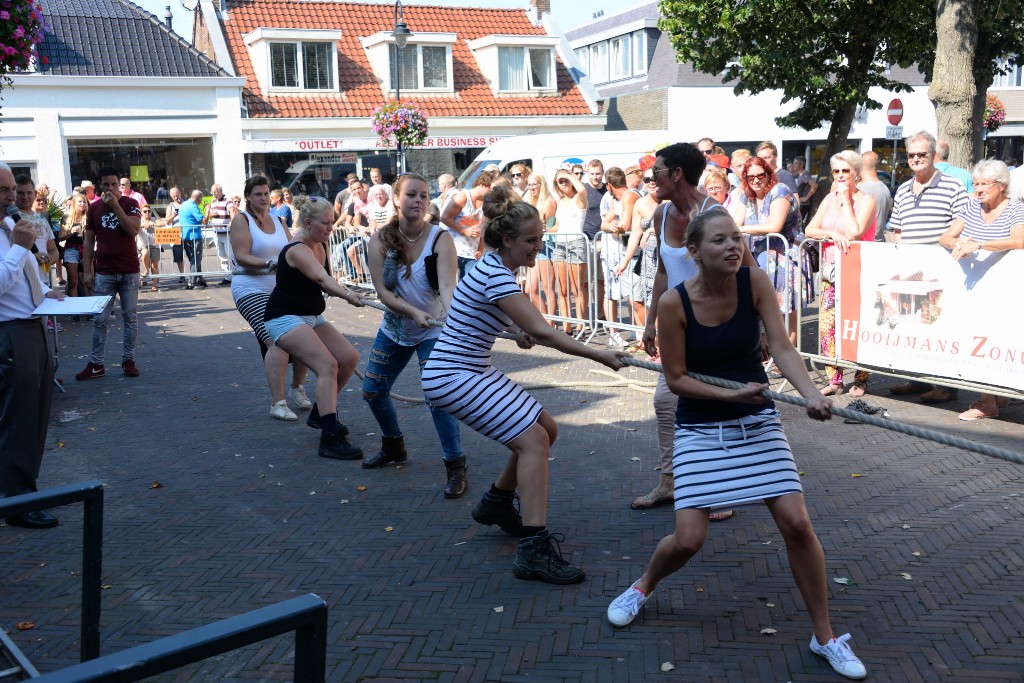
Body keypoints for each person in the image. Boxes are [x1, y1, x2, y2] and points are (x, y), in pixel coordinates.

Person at [605, 208, 868, 682]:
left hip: (757, 423)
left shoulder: (756, 282)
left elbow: (783, 348)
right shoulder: (673, 303)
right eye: (720, 241)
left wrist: (810, 394)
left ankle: (824, 636)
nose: (733, 247)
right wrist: (730, 394)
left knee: (796, 524)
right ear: (695, 252)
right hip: (701, 429)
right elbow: (677, 379)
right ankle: (643, 586)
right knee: (689, 539)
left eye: (737, 239)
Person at [422, 184, 627, 584]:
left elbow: (488, 312)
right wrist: (600, 354)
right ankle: (534, 550)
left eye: (541, 238)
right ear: (507, 241)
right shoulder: (497, 274)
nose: (539, 246)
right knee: (532, 441)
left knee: (545, 429)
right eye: (532, 240)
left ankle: (497, 503)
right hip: (453, 374)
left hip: (469, 368)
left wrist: (514, 328)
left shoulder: (495, 267)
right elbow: (544, 332)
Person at [632, 143, 743, 522]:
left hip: (714, 325)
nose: (651, 179)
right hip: (677, 325)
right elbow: (663, 271)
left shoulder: (714, 214)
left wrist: (755, 327)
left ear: (676, 174)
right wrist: (651, 321)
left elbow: (740, 270)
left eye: (657, 172)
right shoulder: (662, 213)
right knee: (666, 403)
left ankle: (720, 489)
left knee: (714, 408)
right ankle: (670, 482)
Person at [362, 174, 468, 496]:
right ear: (396, 198)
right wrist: (411, 312)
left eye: (424, 195)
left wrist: (454, 318)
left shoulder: (441, 239)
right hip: (396, 327)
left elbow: (449, 287)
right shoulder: (380, 240)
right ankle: (394, 445)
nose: (419, 200)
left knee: (437, 396)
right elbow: (383, 292)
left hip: (433, 328)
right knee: (372, 392)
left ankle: (456, 466)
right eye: (411, 194)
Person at [263, 195, 365, 460]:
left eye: (332, 223)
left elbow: (325, 278)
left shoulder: (320, 243)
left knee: (348, 358)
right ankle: (329, 438)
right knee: (327, 365)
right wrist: (348, 296)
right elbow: (321, 277)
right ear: (307, 223)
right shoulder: (297, 249)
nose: (331, 228)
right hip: (284, 317)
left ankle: (321, 414)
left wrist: (346, 290)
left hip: (310, 316)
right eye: (326, 224)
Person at [0, 162, 66, 529]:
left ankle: (25, 490)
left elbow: (25, 279)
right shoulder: (13, 235)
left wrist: (46, 294)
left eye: (12, 188)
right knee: (18, 420)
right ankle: (17, 504)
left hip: (32, 326)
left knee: (36, 416)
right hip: (9, 334)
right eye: (4, 190)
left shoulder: (12, 226)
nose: (12, 197)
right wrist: (18, 249)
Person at [938, 159, 1024, 421]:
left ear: (1001, 185)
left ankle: (993, 397)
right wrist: (959, 244)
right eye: (975, 183)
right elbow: (945, 236)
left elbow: (1019, 240)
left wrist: (980, 245)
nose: (978, 188)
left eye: (984, 183)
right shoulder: (971, 206)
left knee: (999, 340)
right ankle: (990, 399)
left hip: (1004, 290)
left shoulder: (1016, 209)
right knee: (975, 339)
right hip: (973, 290)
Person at [887, 131, 968, 403]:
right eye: (912, 155)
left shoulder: (953, 186)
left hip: (942, 270)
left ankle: (946, 386)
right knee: (916, 325)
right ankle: (918, 380)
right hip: (912, 272)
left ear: (933, 155)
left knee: (941, 327)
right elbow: (895, 228)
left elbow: (963, 223)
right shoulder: (902, 189)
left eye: (922, 154)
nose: (917, 159)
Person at [229, 175, 312, 422]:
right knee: (276, 341)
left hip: (281, 289)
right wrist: (269, 263)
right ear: (248, 197)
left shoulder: (279, 220)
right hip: (251, 289)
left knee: (304, 336)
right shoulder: (241, 220)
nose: (263, 198)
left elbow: (291, 251)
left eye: (266, 194)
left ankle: (297, 389)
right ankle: (278, 403)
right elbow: (241, 256)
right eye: (258, 194)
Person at [803, 151, 877, 397]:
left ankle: (861, 378)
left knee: (857, 324)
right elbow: (810, 229)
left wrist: (845, 201)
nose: (841, 176)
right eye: (836, 171)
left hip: (858, 271)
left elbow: (855, 231)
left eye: (845, 171)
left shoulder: (867, 200)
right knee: (828, 326)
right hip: (831, 271)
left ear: (856, 172)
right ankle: (834, 379)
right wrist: (830, 234)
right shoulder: (829, 198)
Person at [78, 167, 143, 380]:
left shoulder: (131, 204)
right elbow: (88, 240)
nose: (111, 188)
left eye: (114, 184)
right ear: (100, 186)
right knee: (100, 320)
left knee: (130, 317)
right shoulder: (94, 208)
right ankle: (96, 364)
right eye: (106, 185)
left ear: (120, 186)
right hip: (104, 271)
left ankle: (128, 360)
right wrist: (87, 270)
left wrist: (115, 206)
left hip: (128, 270)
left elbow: (133, 229)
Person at [731, 155, 803, 347]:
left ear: (768, 174)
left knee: (786, 307)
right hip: (761, 257)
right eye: (750, 176)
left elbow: (774, 226)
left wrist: (739, 230)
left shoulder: (780, 191)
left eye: (760, 175)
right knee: (764, 306)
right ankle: (769, 350)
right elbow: (734, 222)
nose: (755, 180)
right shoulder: (746, 195)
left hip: (786, 257)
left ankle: (788, 352)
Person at [550, 169, 589, 334]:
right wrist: (542, 229)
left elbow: (582, 190)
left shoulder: (579, 199)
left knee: (577, 288)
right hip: (560, 244)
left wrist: (569, 176)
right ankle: (567, 325)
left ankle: (580, 324)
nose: (564, 183)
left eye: (566, 180)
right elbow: (557, 227)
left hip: (576, 243)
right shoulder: (560, 201)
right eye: (560, 181)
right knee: (563, 289)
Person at [440, 170, 494, 280]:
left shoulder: (487, 203)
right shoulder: (463, 196)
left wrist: (480, 249)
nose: (493, 192)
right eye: (491, 189)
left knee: (468, 288)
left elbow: (483, 229)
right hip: (454, 250)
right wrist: (464, 230)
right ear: (482, 185)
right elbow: (444, 218)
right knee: (449, 286)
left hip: (471, 254)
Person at [522, 172, 557, 321]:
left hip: (547, 246)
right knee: (530, 289)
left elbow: (540, 224)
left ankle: (550, 322)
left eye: (534, 184)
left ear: (541, 185)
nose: (531, 187)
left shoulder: (548, 201)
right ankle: (545, 319)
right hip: (534, 247)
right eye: (529, 184)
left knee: (549, 288)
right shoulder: (530, 201)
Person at [857, 151, 894, 242]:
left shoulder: (861, 188)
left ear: (859, 166)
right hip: (878, 241)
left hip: (864, 243)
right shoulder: (885, 188)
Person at [205, 183, 234, 285]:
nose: (213, 194)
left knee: (229, 255)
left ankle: (233, 276)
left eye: (215, 192)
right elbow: (211, 213)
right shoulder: (213, 201)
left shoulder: (227, 200)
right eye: (212, 192)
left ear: (220, 191)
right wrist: (211, 213)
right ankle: (227, 276)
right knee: (222, 256)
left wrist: (233, 221)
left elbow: (232, 211)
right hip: (217, 233)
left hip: (226, 233)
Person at [179, 190, 207, 290]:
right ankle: (192, 282)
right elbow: (204, 221)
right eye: (201, 199)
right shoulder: (193, 206)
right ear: (199, 198)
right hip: (194, 235)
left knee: (193, 259)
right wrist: (207, 210)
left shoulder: (183, 204)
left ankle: (199, 278)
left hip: (185, 235)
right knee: (196, 259)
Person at [61, 193, 87, 298]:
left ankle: (88, 308)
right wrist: (71, 232)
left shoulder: (88, 217)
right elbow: (60, 237)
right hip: (71, 249)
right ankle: (75, 310)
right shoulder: (66, 217)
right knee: (73, 281)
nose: (82, 204)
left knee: (87, 280)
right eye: (79, 201)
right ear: (74, 204)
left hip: (86, 249)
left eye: (84, 201)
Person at [165, 186, 186, 282]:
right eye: (173, 195)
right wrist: (173, 215)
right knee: (178, 255)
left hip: (187, 232)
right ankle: (182, 275)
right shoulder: (170, 206)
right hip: (176, 234)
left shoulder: (186, 204)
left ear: (180, 193)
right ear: (170, 196)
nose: (175, 196)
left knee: (191, 254)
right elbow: (167, 221)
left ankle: (195, 274)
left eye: (176, 194)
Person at [793, 156, 819, 222]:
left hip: (803, 205)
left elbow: (814, 185)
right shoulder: (801, 175)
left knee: (797, 223)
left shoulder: (805, 175)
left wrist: (806, 198)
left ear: (801, 165)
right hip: (800, 204)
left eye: (795, 163)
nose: (793, 165)